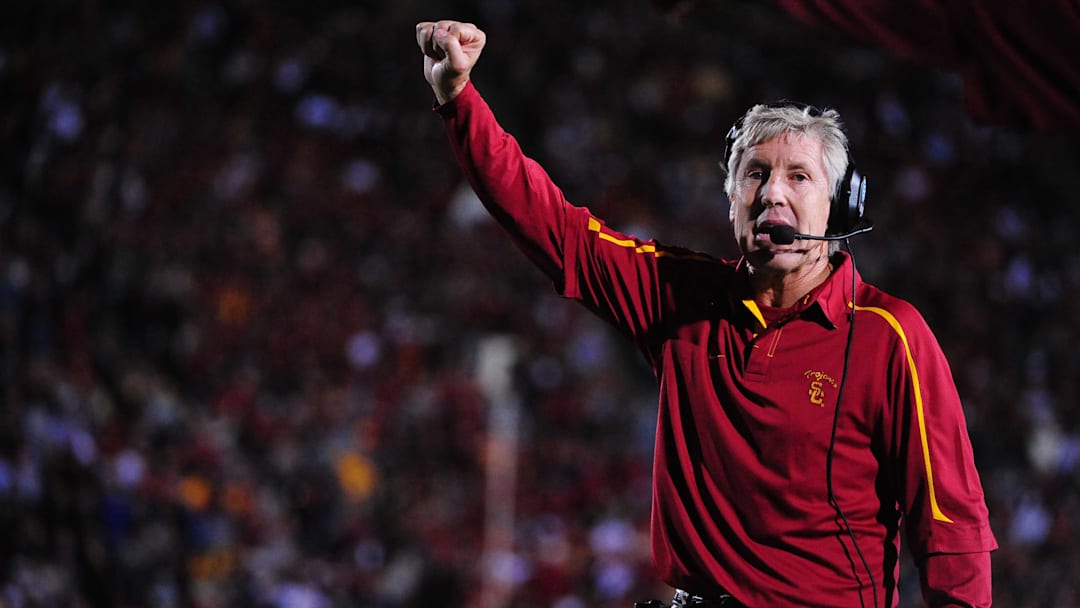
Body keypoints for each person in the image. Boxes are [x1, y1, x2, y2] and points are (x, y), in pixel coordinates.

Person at [415, 19, 997, 608]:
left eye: (799, 176)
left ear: (841, 206)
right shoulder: (681, 294)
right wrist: (458, 98)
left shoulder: (890, 337)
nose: (773, 193)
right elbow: (552, 226)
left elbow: (952, 528)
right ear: (732, 201)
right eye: (755, 175)